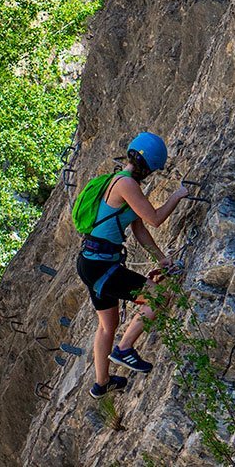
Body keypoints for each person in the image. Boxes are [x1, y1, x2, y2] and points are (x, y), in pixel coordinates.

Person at [76, 132, 189, 398]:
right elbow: (155, 219)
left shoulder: (116, 182)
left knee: (107, 325)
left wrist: (161, 258)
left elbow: (139, 228)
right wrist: (177, 195)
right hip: (103, 267)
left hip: (92, 263)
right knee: (160, 296)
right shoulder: (126, 185)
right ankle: (124, 348)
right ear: (149, 167)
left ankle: (101, 384)